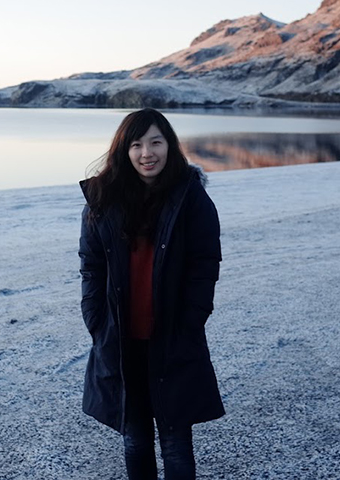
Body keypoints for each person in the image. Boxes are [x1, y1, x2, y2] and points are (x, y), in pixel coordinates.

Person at [78, 108, 225, 480]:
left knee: (175, 440)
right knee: (135, 439)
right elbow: (91, 264)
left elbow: (204, 263)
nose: (147, 153)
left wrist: (192, 318)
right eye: (137, 144)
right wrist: (96, 319)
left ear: (169, 146)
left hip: (171, 335)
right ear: (123, 151)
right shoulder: (102, 199)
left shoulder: (189, 197)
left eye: (156, 142)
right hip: (121, 338)